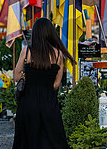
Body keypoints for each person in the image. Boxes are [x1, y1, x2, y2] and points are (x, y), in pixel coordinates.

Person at [13, 18, 76, 149]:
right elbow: (56, 84)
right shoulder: (58, 54)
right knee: (52, 141)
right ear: (50, 33)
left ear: (36, 33)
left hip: (28, 103)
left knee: (26, 141)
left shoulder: (27, 51)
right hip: (49, 103)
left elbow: (16, 76)